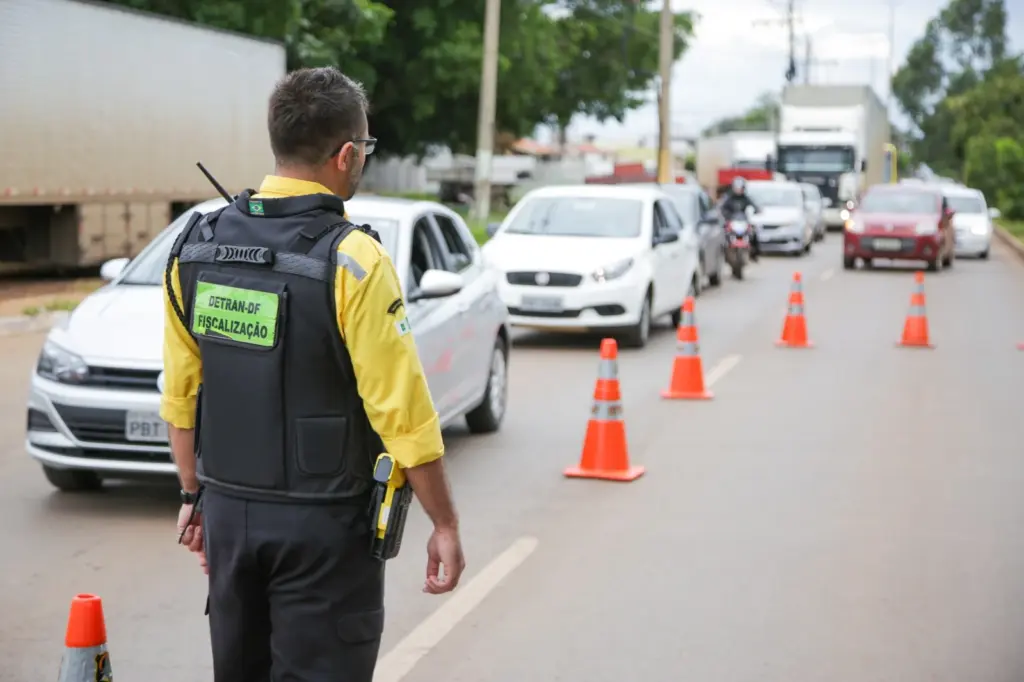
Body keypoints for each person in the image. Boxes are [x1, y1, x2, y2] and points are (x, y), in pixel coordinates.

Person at [160, 66, 465, 682]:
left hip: (229, 517)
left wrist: (195, 498)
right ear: (346, 153)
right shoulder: (353, 259)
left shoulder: (194, 246)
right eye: (367, 150)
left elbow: (181, 393)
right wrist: (445, 522)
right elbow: (401, 411)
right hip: (323, 529)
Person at [718, 176, 761, 261]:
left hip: (743, 221)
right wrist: (725, 214)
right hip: (731, 221)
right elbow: (722, 207)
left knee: (754, 233)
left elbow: (754, 205)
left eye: (740, 188)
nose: (738, 190)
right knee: (722, 234)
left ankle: (754, 254)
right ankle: (722, 253)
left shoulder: (745, 198)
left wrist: (757, 210)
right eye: (736, 188)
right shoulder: (729, 198)